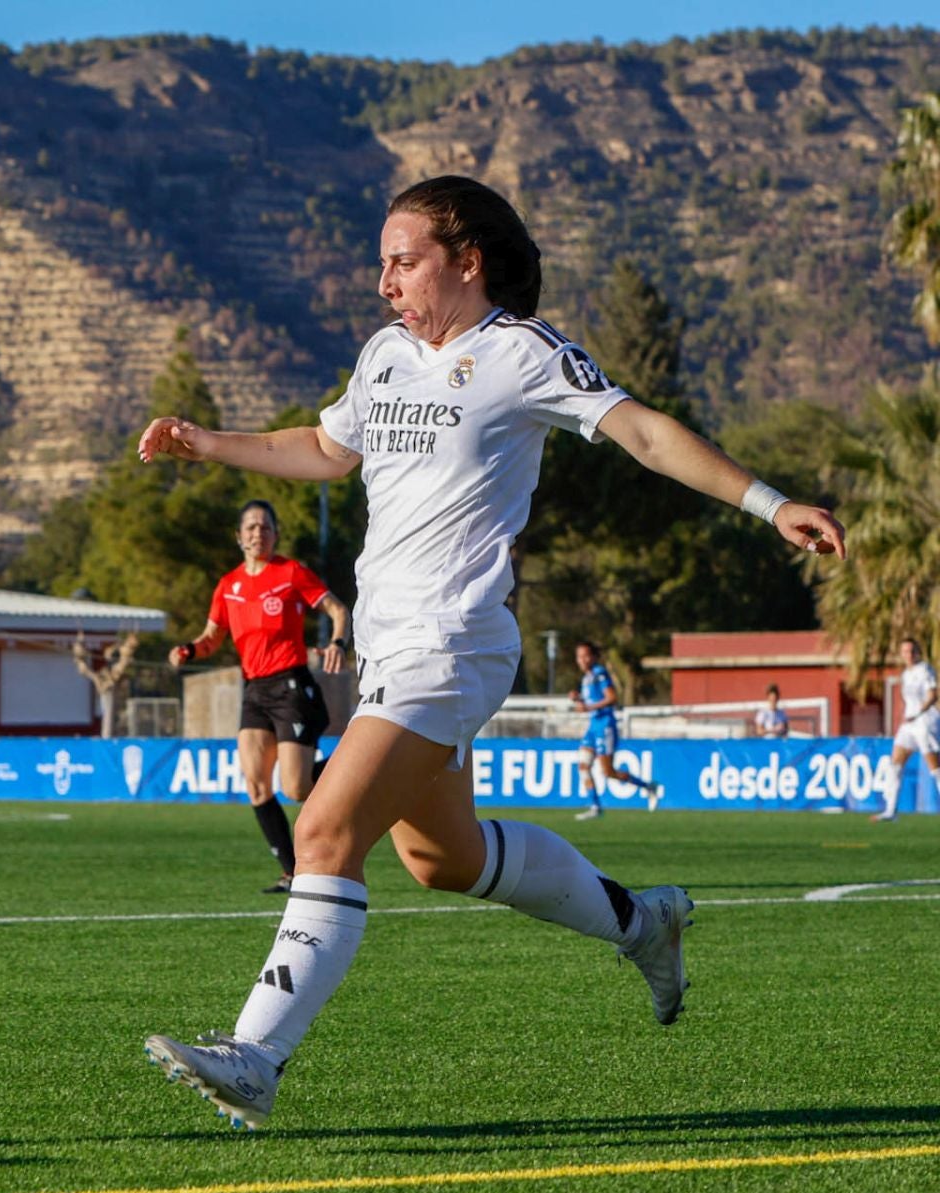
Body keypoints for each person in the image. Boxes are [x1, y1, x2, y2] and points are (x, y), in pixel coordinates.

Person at [133, 174, 846, 1130]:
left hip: (455, 643)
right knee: (444, 857)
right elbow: (325, 446)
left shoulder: (519, 353)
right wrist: (207, 444)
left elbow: (640, 430)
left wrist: (770, 505)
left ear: (467, 263)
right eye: (381, 261)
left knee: (323, 832)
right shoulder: (385, 354)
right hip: (391, 650)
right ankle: (645, 923)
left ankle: (257, 1055)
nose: (384, 282)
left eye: (404, 261)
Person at [169, 500, 351, 893]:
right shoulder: (228, 585)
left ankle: (352, 766)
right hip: (254, 689)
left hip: (290, 685)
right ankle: (292, 872)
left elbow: (338, 610)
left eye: (265, 527)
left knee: (297, 789)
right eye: (250, 527)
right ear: (239, 537)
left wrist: (338, 641)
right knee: (255, 785)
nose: (258, 533)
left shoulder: (291, 573)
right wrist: (187, 650)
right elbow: (211, 638)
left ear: (276, 534)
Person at [570, 641, 664, 820]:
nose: (582, 660)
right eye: (579, 656)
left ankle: (649, 787)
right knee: (583, 765)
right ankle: (595, 807)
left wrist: (588, 707)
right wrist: (578, 699)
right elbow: (591, 701)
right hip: (593, 726)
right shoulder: (586, 679)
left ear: (594, 657)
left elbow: (612, 698)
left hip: (605, 726)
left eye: (585, 655)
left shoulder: (599, 673)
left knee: (609, 772)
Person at [874, 638, 938, 823]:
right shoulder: (906, 674)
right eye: (905, 651)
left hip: (925, 722)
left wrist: (918, 713)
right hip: (909, 724)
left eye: (911, 651)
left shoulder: (924, 669)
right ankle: (891, 811)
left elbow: (933, 695)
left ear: (918, 652)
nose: (908, 655)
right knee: (895, 765)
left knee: (935, 769)